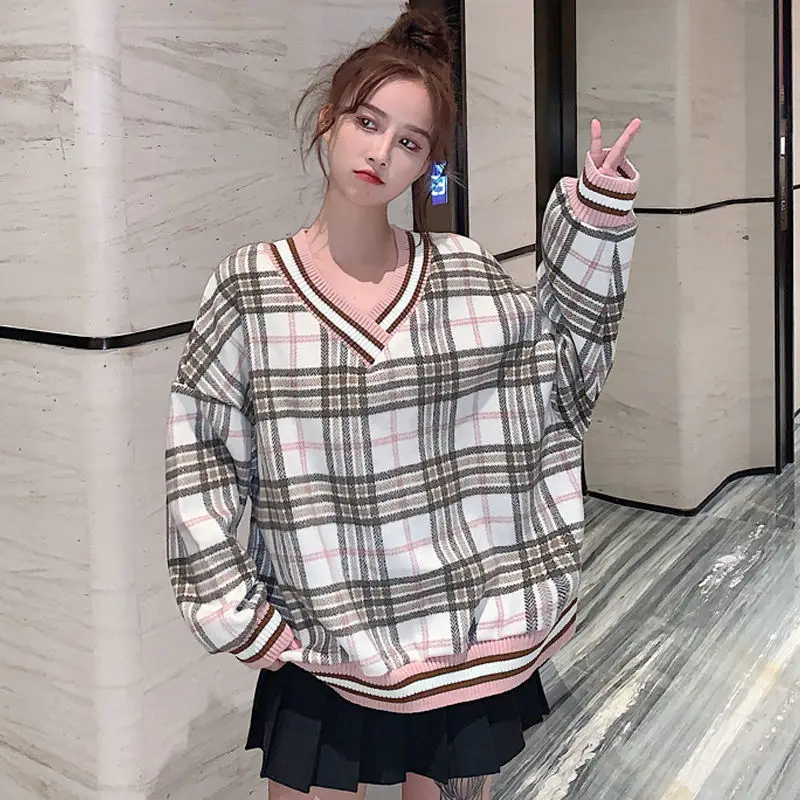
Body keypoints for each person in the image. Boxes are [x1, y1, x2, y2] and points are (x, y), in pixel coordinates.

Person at [165, 6, 640, 800]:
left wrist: (594, 218)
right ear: (329, 120)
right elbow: (202, 453)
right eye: (368, 122)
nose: (382, 151)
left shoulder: (460, 271)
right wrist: (233, 606)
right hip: (320, 634)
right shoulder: (249, 285)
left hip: (456, 629)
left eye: (411, 141)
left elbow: (558, 376)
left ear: (428, 164)